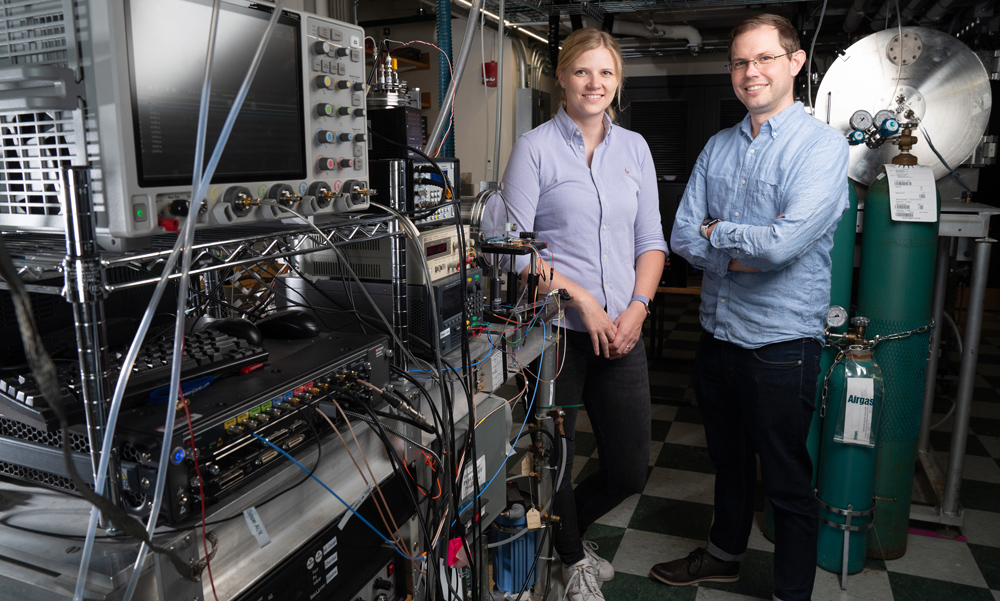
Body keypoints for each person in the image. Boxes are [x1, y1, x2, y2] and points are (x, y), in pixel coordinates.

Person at [650, 14, 849, 601]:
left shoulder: (822, 147)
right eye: (740, 62)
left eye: (764, 59)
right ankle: (723, 555)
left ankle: (792, 593)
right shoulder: (718, 146)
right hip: (719, 336)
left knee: (787, 480)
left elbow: (784, 246)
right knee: (729, 461)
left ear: (795, 63)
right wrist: (736, 245)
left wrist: (720, 236)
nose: (750, 72)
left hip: (782, 344)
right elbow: (683, 235)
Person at [486, 27, 668, 601]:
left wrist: (637, 308)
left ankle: (569, 536)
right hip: (557, 336)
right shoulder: (534, 147)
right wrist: (582, 298)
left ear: (618, 82)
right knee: (556, 457)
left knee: (628, 469)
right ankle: (570, 559)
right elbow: (512, 249)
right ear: (561, 77)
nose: (595, 83)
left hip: (623, 331)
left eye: (606, 73)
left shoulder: (634, 148)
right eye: (583, 71)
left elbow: (652, 241)